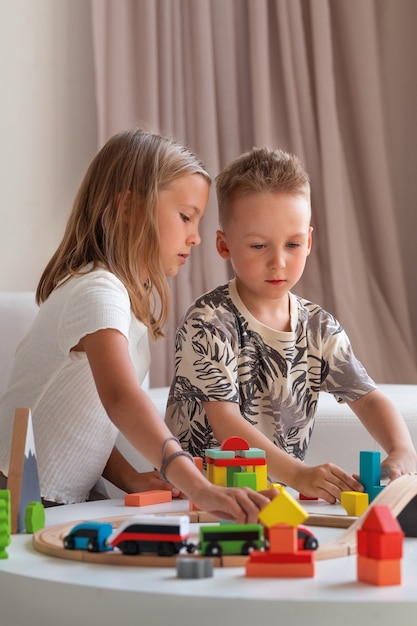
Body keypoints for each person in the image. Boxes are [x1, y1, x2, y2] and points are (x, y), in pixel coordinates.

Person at [0, 129, 276, 522]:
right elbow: (120, 399)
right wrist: (199, 486)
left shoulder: (121, 301)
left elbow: (88, 421)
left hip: (59, 499)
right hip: (16, 498)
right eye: (185, 217)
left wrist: (130, 478)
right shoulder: (98, 290)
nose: (196, 238)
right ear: (128, 208)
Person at [165, 146, 417, 504]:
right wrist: (299, 474)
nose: (278, 262)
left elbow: (368, 399)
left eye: (294, 244)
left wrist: (401, 450)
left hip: (273, 499)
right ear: (224, 245)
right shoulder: (208, 322)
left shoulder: (319, 328)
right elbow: (227, 425)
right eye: (258, 245)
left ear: (309, 241)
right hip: (198, 499)